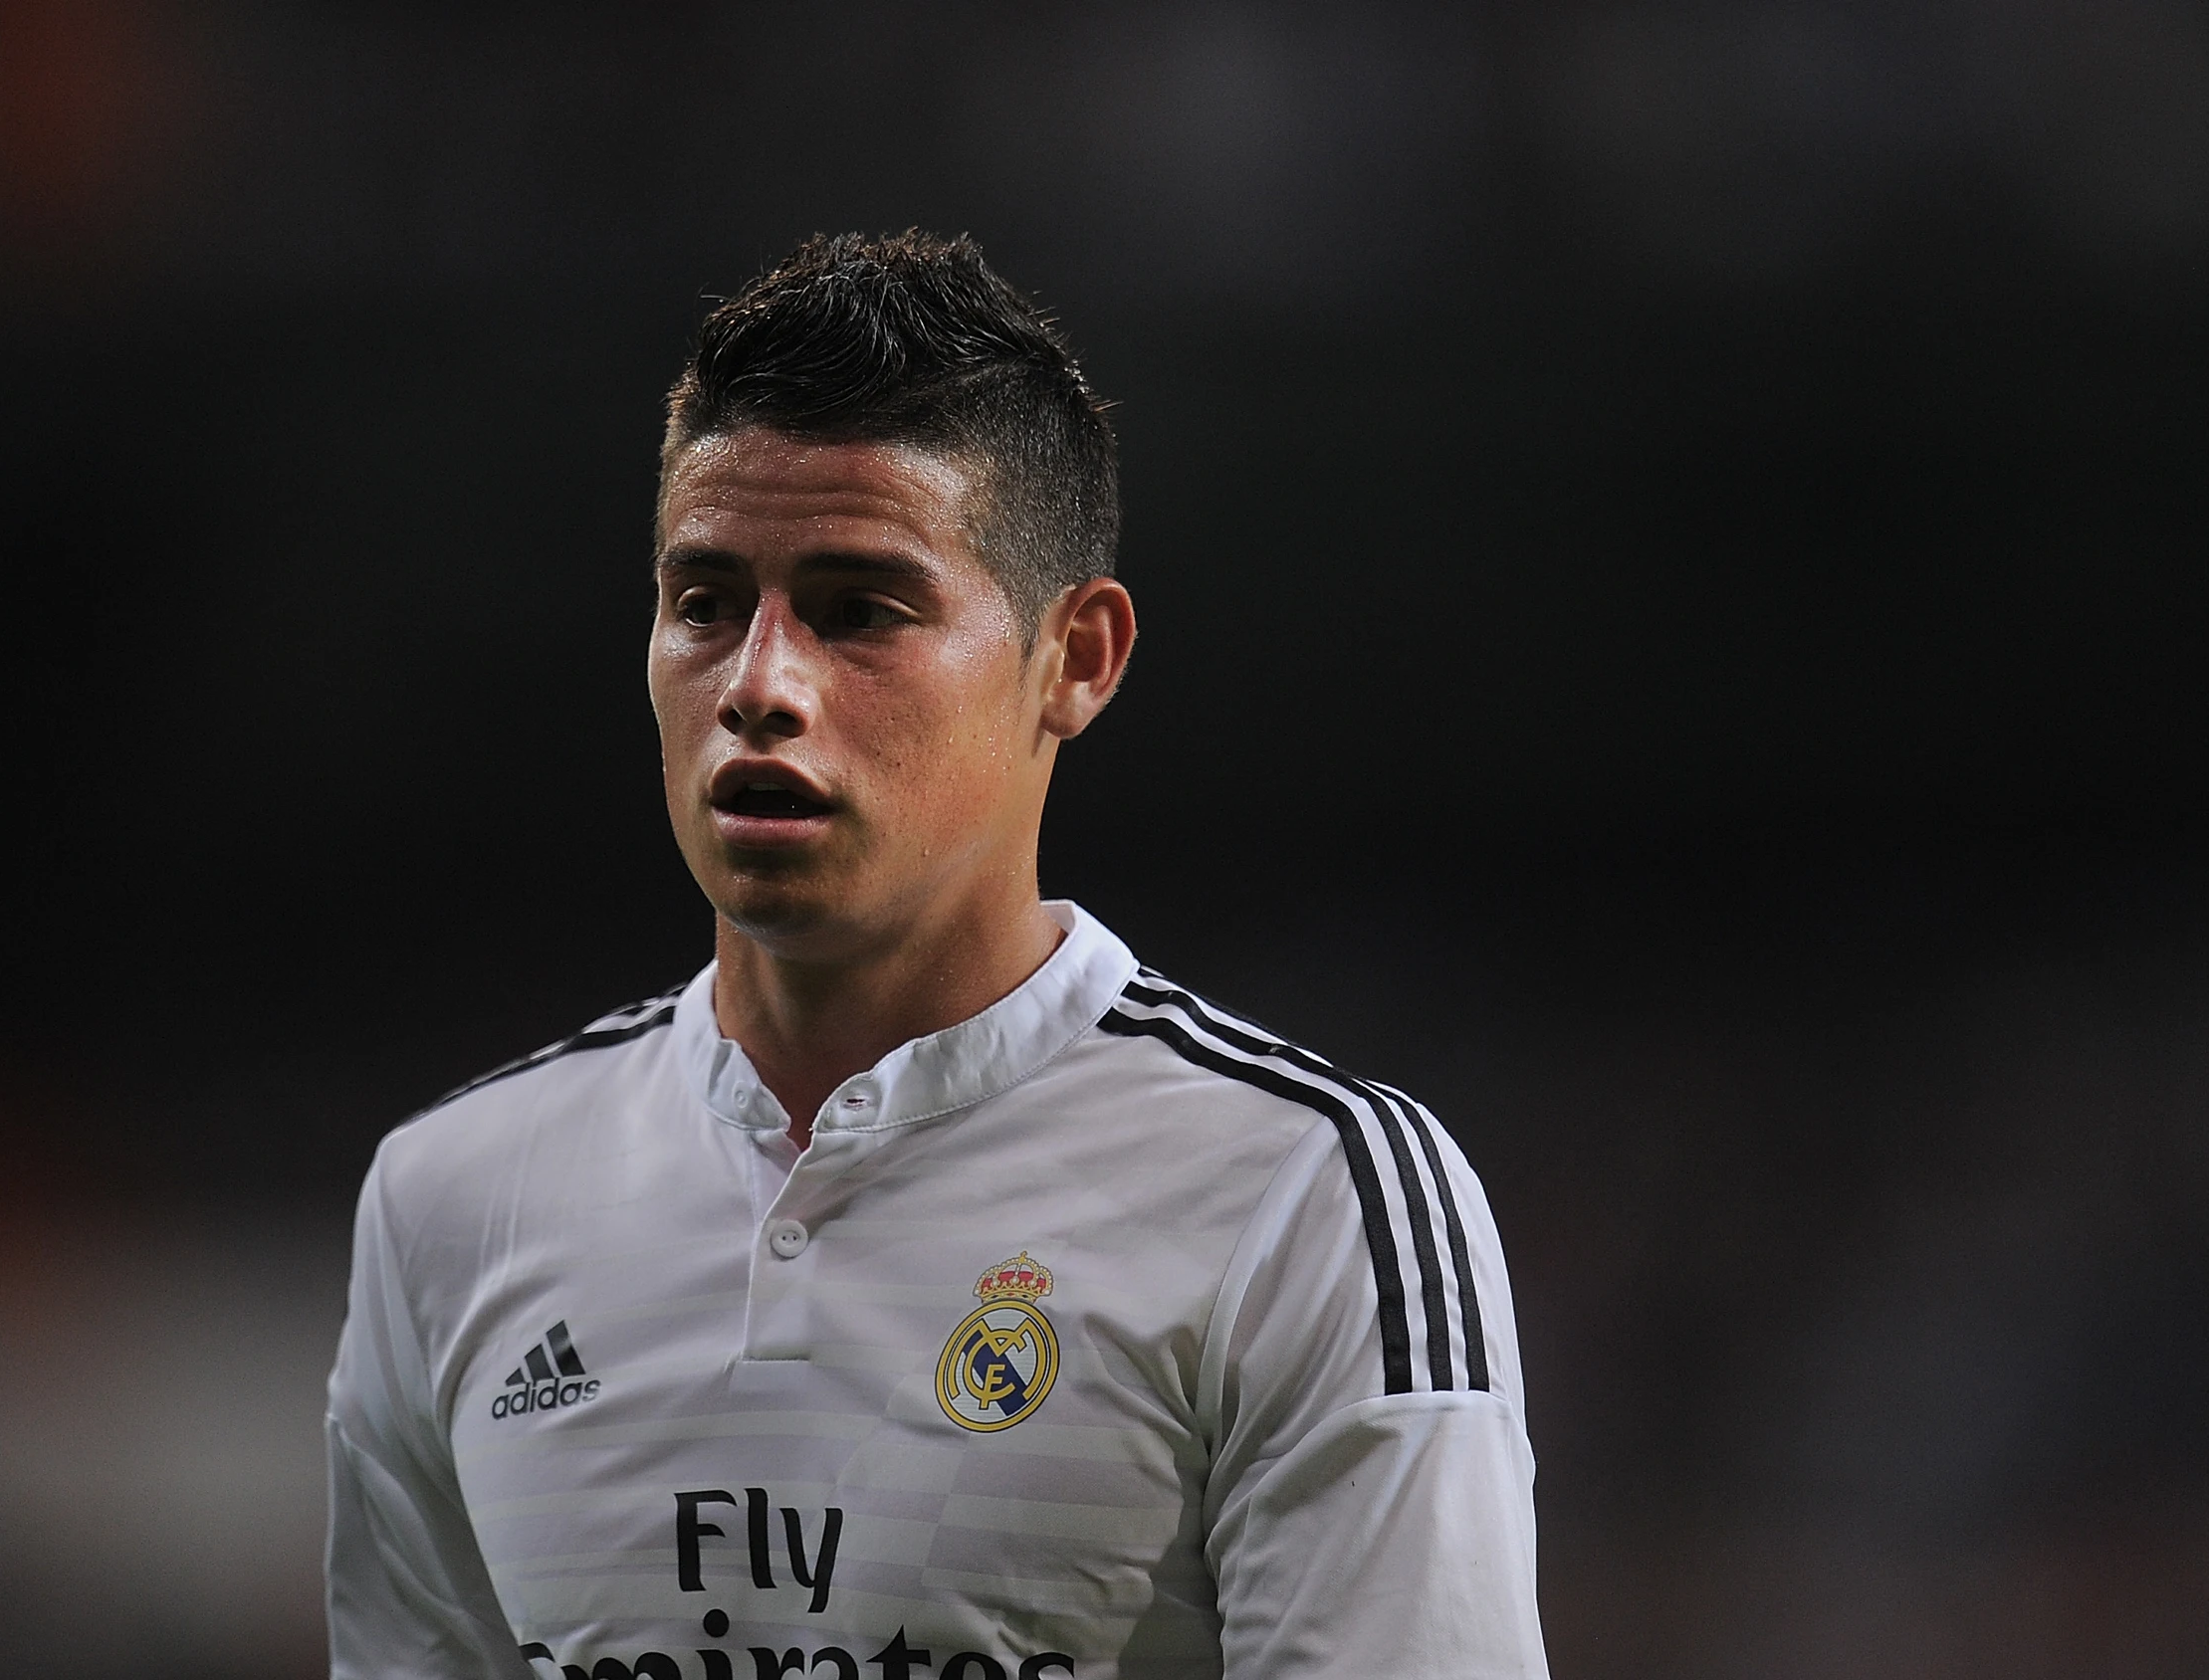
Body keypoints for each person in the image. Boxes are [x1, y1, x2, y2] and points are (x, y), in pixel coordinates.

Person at [327, 231, 1547, 1680]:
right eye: (706, 603)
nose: (762, 687)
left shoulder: (1309, 1201)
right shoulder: (455, 1201)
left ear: (1074, 660)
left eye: (862, 612)